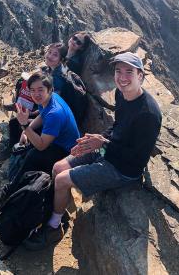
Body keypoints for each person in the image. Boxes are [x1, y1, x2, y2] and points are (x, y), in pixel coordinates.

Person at [24, 52, 162, 250]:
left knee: (62, 179)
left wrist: (103, 143)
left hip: (122, 170)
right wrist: (90, 142)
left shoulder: (148, 114)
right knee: (58, 167)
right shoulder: (122, 94)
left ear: (140, 75)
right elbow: (117, 127)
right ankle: (60, 212)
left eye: (129, 72)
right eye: (118, 71)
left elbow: (136, 159)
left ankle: (53, 229)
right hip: (108, 150)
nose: (122, 77)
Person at [15, 70, 80, 178]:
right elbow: (42, 115)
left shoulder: (54, 113)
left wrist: (25, 126)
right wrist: (25, 130)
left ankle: (17, 182)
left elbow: (41, 146)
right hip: (55, 137)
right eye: (32, 90)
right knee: (17, 123)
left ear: (49, 89)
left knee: (33, 155)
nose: (36, 94)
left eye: (40, 90)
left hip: (65, 150)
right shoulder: (47, 98)